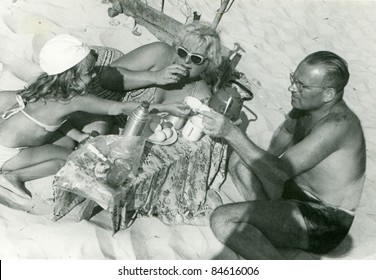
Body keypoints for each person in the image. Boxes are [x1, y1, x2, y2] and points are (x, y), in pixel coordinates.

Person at [201, 51, 366, 259]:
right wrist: (261, 166)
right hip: (293, 192)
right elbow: (286, 133)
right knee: (240, 161)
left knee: (222, 220)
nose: (291, 88)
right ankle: (267, 221)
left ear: (328, 95)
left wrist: (231, 132)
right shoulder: (308, 105)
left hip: (324, 219)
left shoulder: (338, 125)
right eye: (293, 79)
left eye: (302, 86)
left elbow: (278, 172)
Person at [0, 34, 190, 201]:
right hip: (8, 154)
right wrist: (165, 107)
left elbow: (54, 120)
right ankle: (15, 177)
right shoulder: (75, 99)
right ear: (71, 77)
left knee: (67, 143)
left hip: (6, 137)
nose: (93, 76)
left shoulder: (46, 85)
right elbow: (119, 108)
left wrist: (78, 136)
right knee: (67, 160)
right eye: (89, 73)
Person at [99, 21, 222, 105]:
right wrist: (155, 76)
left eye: (196, 58)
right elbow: (105, 77)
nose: (186, 60)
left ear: (208, 63)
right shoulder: (160, 53)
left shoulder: (200, 94)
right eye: (183, 52)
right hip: (99, 88)